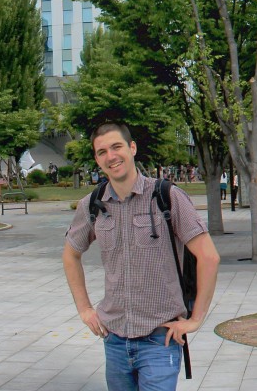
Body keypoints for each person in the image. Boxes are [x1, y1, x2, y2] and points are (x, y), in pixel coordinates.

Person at [63, 122, 217, 391]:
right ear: (97, 159)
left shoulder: (167, 197)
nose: (111, 156)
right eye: (102, 152)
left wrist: (196, 319)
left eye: (116, 147)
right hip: (114, 340)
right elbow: (70, 255)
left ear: (132, 148)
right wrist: (85, 309)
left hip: (160, 339)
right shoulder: (92, 204)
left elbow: (209, 257)